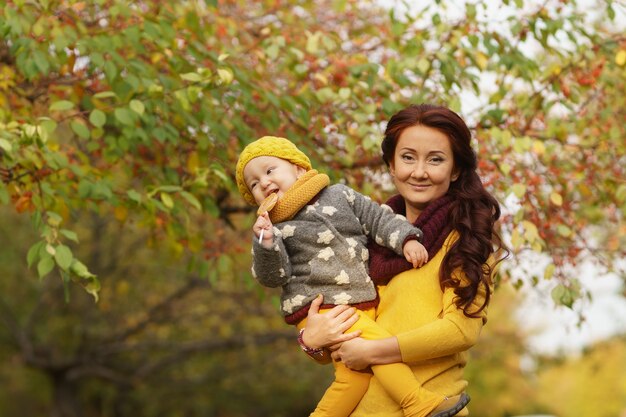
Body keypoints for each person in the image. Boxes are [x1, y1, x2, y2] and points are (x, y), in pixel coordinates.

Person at [235, 136, 467, 417]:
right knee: (374, 345)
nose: (264, 183)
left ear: (298, 168)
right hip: (324, 307)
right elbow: (273, 276)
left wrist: (406, 239)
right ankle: (418, 403)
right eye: (254, 184)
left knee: (353, 379)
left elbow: (377, 218)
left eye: (270, 171)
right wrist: (266, 244)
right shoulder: (273, 229)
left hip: (357, 301)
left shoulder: (339, 195)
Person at [299, 104, 507, 416]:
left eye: (435, 159)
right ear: (392, 165)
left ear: (456, 170)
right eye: (408, 157)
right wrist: (312, 341)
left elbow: (461, 331)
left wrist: (373, 351)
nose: (419, 171)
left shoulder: (465, 242)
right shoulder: (361, 240)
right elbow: (342, 343)